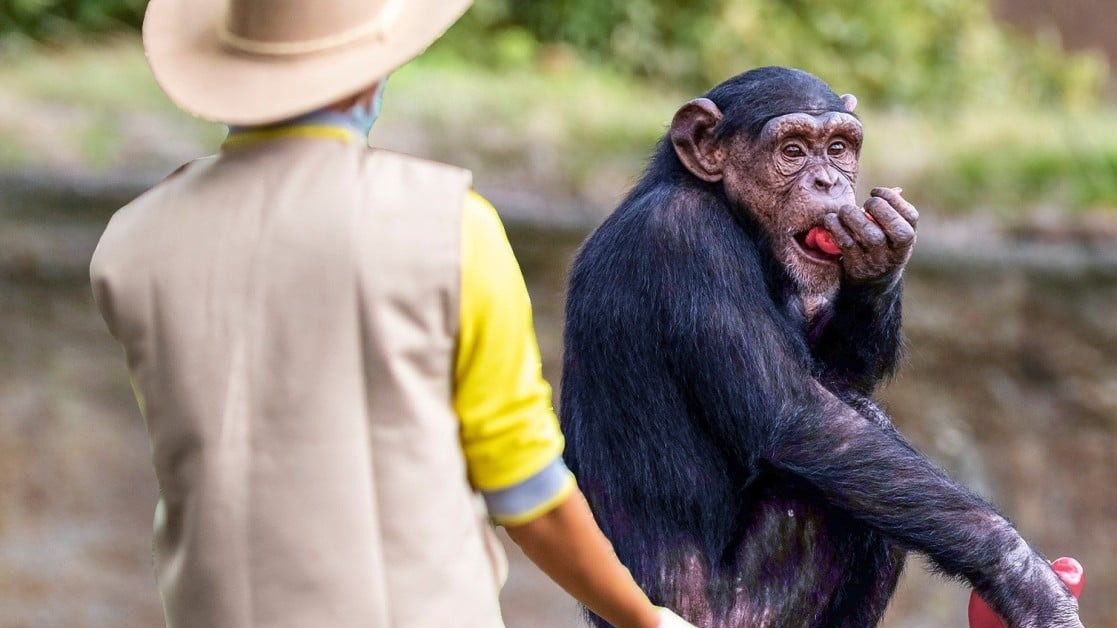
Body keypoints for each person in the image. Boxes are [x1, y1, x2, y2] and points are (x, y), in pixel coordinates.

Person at [89, 1, 696, 627]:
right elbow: (526, 492)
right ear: (366, 73)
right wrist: (644, 618)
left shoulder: (131, 244)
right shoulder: (449, 227)